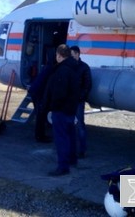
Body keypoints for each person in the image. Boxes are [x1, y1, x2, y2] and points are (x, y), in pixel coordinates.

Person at [44, 44, 80, 176]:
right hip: (71, 108)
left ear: (59, 55)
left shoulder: (62, 70)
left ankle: (63, 166)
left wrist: (53, 107)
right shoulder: (75, 68)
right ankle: (72, 159)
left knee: (61, 138)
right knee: (70, 136)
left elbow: (59, 93)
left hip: (61, 110)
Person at [70, 45, 92, 158]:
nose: (71, 57)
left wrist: (80, 97)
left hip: (78, 101)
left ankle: (82, 150)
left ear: (78, 54)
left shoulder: (84, 67)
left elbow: (87, 84)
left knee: (79, 125)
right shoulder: (68, 66)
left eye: (72, 55)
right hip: (69, 101)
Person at [28, 60, 54, 143]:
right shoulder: (52, 70)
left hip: (35, 90)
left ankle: (40, 134)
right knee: (40, 114)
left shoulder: (47, 68)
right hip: (38, 92)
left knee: (40, 114)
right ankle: (40, 136)